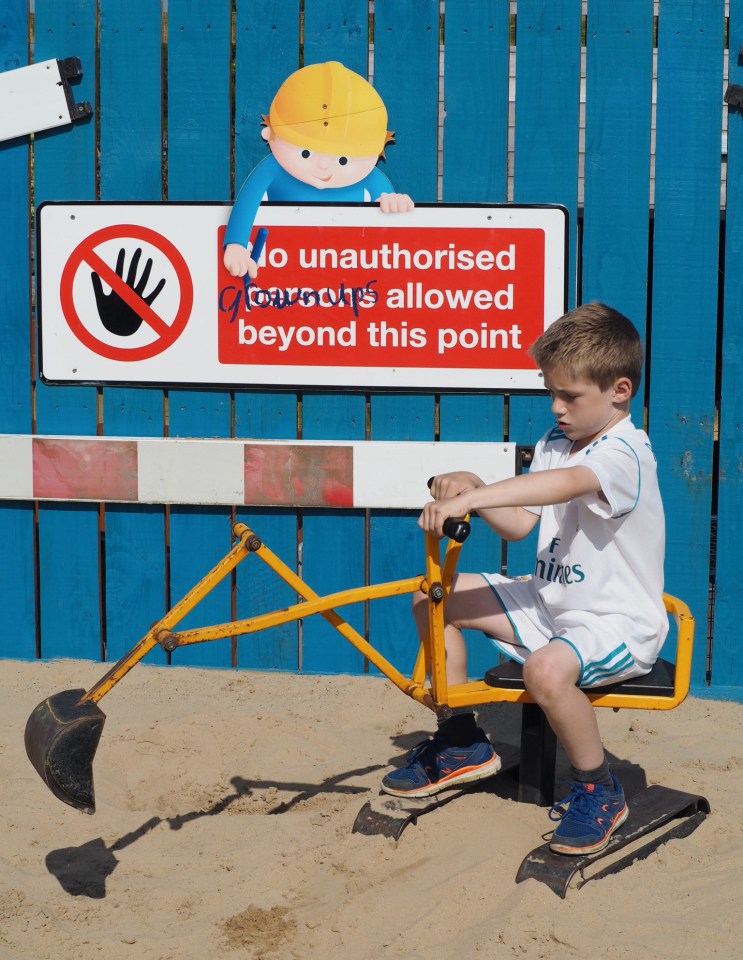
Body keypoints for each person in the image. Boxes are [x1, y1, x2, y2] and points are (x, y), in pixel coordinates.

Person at [381, 302, 668, 856]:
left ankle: (599, 788)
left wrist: (474, 496)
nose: (556, 407)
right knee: (432, 603)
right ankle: (461, 740)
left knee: (545, 669)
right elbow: (518, 527)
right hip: (548, 602)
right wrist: (475, 485)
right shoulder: (558, 442)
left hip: (614, 622)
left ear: (620, 390)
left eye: (570, 396)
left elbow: (564, 487)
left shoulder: (627, 453)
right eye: (550, 392)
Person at [223, 61, 414, 281]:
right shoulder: (272, 169)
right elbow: (247, 204)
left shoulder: (369, 178)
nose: (323, 167)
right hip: (284, 267)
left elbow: (386, 203)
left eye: (343, 159)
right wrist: (236, 244)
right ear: (269, 133)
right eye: (306, 153)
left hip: (346, 267)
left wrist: (392, 203)